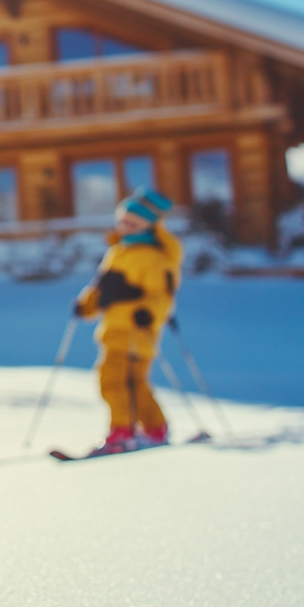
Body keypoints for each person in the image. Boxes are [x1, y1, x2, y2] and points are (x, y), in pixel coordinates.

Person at [73, 186, 183, 456]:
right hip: (114, 328)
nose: (126, 226)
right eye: (123, 221)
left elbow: (162, 295)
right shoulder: (118, 252)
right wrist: (86, 305)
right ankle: (155, 427)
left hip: (137, 329)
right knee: (134, 383)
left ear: (149, 226)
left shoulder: (154, 257)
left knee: (112, 380)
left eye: (133, 223)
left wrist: (148, 311)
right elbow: (102, 286)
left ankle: (121, 432)